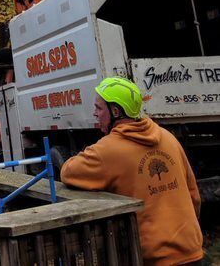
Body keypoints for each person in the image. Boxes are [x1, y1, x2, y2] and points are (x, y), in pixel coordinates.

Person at [60, 77, 203, 266]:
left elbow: (68, 172)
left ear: (116, 111)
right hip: (191, 251)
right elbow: (194, 196)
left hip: (154, 258)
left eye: (99, 108)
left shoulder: (108, 150)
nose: (95, 114)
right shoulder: (168, 138)